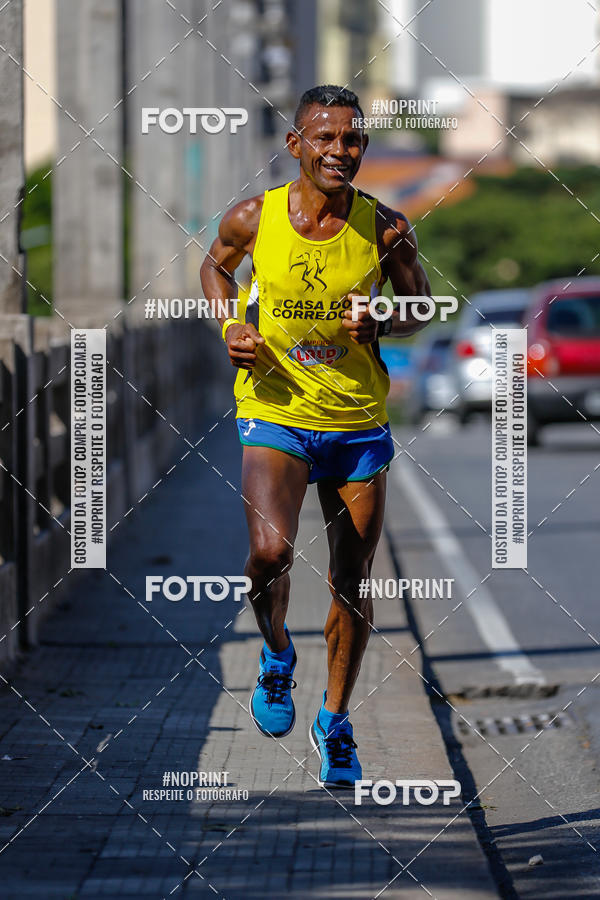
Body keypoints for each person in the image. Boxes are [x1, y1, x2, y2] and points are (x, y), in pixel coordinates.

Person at [200, 85, 431, 788]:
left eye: (352, 139)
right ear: (297, 144)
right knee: (267, 554)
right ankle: (275, 659)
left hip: (357, 424)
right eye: (324, 138)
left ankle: (334, 720)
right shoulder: (254, 216)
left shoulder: (385, 227)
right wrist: (232, 325)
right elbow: (214, 267)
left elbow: (420, 303)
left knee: (352, 580)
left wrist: (383, 325)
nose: (340, 151)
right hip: (276, 410)